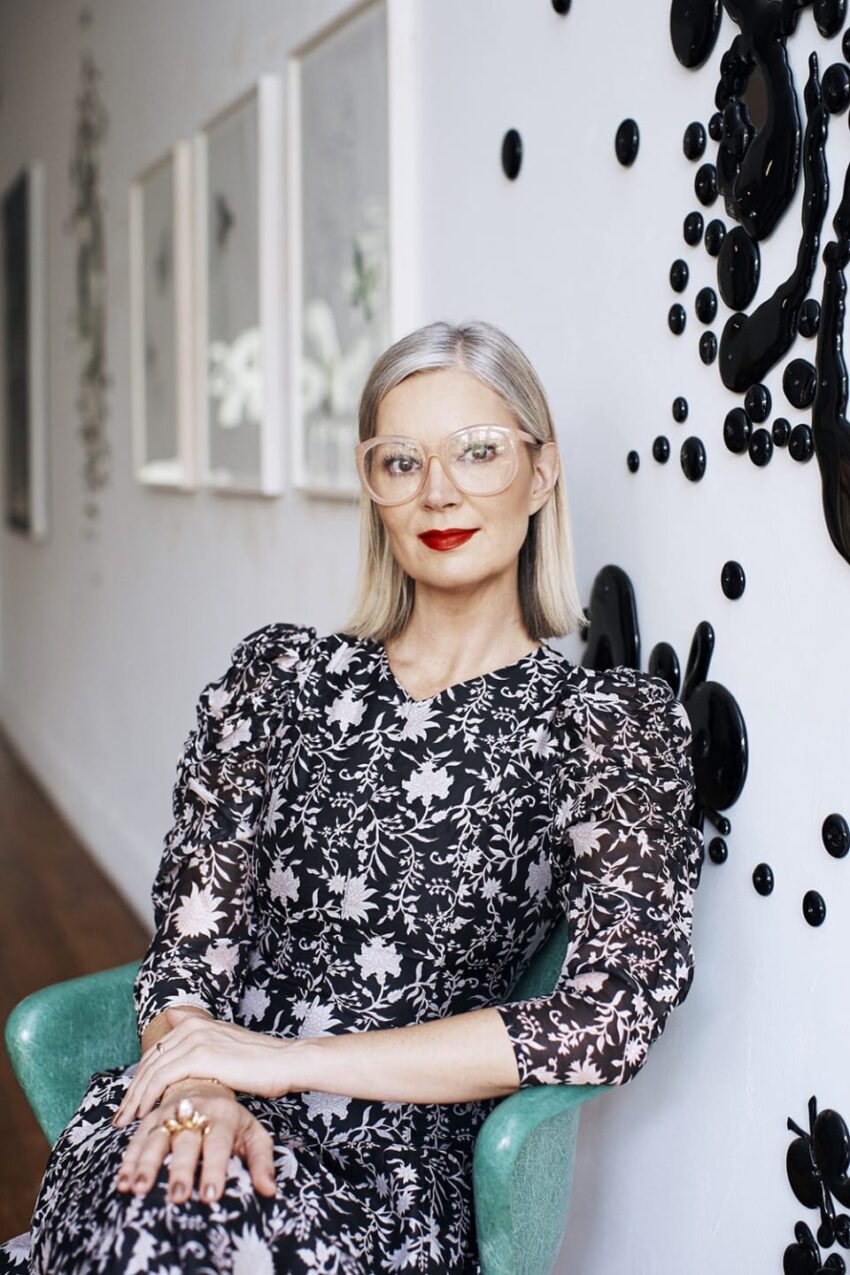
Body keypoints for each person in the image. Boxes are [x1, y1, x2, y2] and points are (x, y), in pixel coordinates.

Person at [0, 318, 704, 1273]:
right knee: (157, 1213)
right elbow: (188, 951)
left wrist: (279, 1060)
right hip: (191, 1107)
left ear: (541, 474)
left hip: (391, 1177)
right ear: (373, 486)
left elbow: (610, 1012)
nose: (439, 490)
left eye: (479, 451)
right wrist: (201, 1081)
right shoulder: (277, 678)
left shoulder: (605, 726)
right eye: (401, 460)